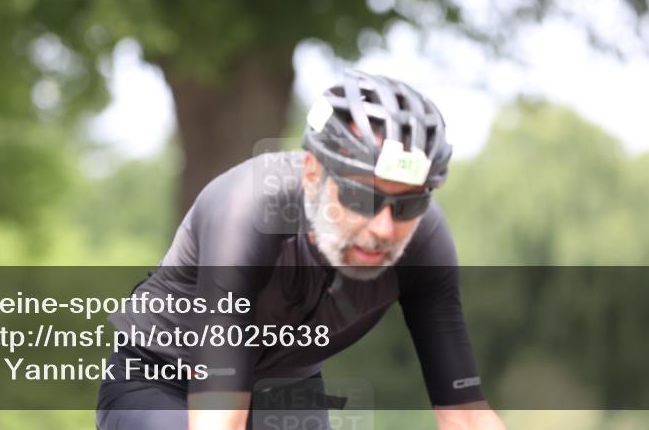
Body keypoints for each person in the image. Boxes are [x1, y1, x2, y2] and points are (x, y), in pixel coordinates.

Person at [96, 70, 506, 430]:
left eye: (408, 204)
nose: (384, 228)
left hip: (288, 387)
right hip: (163, 379)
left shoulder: (424, 239)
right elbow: (218, 419)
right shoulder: (247, 208)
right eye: (363, 197)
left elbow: (465, 416)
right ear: (314, 175)